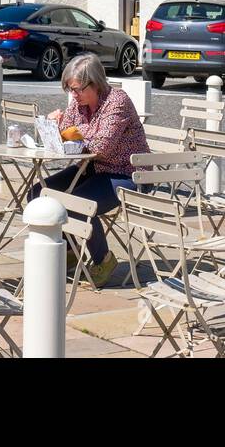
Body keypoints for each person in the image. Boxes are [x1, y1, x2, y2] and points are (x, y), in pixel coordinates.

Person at [40, 54, 150, 288]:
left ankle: (103, 259)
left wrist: (71, 131)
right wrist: (53, 124)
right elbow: (63, 132)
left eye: (78, 89)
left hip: (128, 173)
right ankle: (70, 248)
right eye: (71, 90)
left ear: (95, 83)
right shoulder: (78, 105)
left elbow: (102, 146)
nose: (74, 95)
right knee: (41, 193)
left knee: (76, 203)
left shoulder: (117, 101)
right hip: (93, 169)